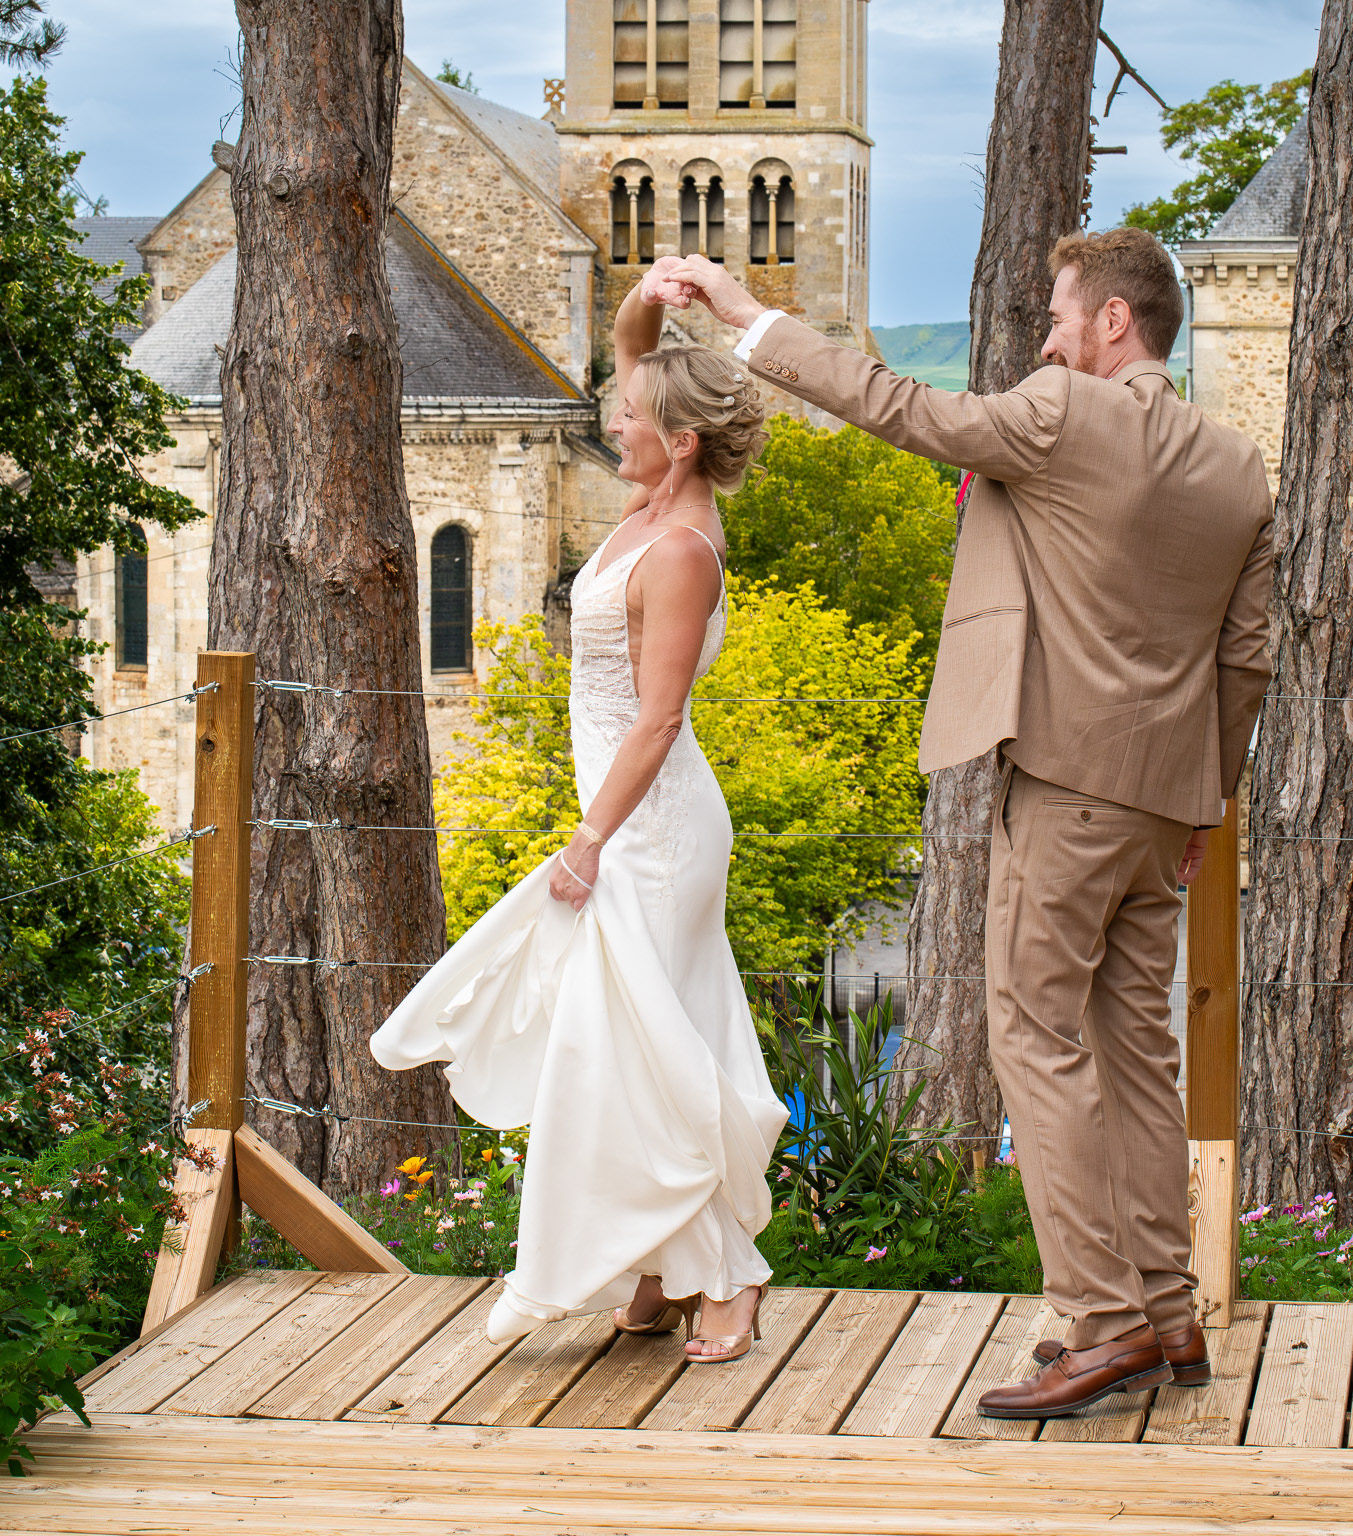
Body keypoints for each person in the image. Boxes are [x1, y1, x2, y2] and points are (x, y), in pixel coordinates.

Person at [671, 228, 1272, 1420]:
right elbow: (1244, 656)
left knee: (1034, 1035)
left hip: (1065, 786)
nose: (1046, 338)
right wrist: (1204, 794)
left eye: (1058, 314)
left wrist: (745, 316)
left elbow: (902, 408)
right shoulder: (1236, 463)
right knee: (1137, 1052)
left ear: (1112, 321)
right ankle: (1168, 1315)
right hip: (1166, 801)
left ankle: (1100, 1318)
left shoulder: (1064, 412)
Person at [371, 265, 785, 1364]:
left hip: (652, 832)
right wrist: (654, 291)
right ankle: (656, 1268)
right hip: (627, 818)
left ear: (680, 444)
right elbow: (634, 346)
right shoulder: (650, 503)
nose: (611, 421)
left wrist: (590, 839)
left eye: (630, 417)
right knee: (632, 1048)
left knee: (636, 1050)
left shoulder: (680, 547)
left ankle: (728, 1276)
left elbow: (658, 719)